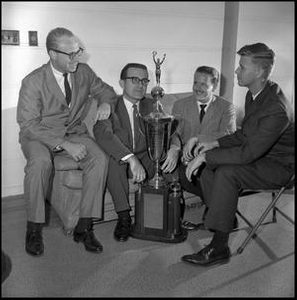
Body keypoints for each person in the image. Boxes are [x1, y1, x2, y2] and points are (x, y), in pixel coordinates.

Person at [181, 43, 294, 266]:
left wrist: (205, 156)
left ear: (260, 72)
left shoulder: (275, 108)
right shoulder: (256, 94)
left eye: (242, 67)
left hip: (281, 166)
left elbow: (248, 153)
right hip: (261, 155)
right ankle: (223, 216)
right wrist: (212, 144)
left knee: (227, 171)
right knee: (211, 165)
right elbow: (245, 136)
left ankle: (219, 247)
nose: (236, 71)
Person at [17, 27, 117, 256]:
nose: (76, 58)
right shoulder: (33, 81)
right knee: (40, 164)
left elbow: (107, 91)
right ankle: (33, 229)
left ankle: (84, 227)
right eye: (70, 54)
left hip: (73, 131)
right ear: (52, 54)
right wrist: (64, 145)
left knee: (99, 159)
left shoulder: (84, 72)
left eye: (78, 51)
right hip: (39, 135)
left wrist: (105, 103)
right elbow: (29, 124)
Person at [161, 66, 236, 230]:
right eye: (195, 82)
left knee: (209, 172)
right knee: (183, 174)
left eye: (203, 84)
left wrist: (197, 139)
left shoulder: (227, 107)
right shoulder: (180, 105)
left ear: (214, 86)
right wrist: (174, 149)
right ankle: (222, 209)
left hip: (214, 156)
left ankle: (217, 210)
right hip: (186, 158)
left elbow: (229, 134)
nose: (197, 88)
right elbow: (175, 133)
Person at [93, 63, 155, 242]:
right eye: (134, 80)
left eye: (144, 80)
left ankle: (172, 209)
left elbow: (171, 129)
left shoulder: (151, 105)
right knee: (112, 158)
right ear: (121, 83)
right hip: (124, 162)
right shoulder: (109, 106)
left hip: (147, 158)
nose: (140, 85)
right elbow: (102, 134)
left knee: (168, 156)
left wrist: (174, 148)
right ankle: (124, 217)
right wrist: (131, 158)